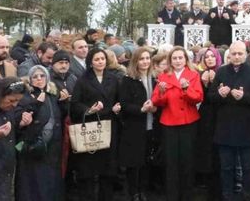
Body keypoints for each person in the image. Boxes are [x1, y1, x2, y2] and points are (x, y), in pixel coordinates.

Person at [208, 41, 250, 201]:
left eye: (240, 53)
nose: (237, 57)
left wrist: (244, 97)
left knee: (248, 166)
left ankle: (248, 195)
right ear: (229, 55)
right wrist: (220, 94)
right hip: (225, 127)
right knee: (226, 167)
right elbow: (210, 97)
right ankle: (227, 195)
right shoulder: (221, 72)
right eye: (234, 54)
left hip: (247, 127)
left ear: (245, 54)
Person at [151, 46, 203, 201]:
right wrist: (161, 92)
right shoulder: (163, 77)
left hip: (189, 122)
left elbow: (198, 98)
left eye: (181, 58)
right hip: (169, 122)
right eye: (175, 58)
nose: (178, 61)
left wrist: (186, 89)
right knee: (171, 162)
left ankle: (187, 195)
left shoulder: (193, 75)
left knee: (187, 160)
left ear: (186, 59)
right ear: (170, 61)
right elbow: (156, 101)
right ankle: (172, 195)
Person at [70, 48, 122, 201]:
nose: (100, 62)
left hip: (110, 126)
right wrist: (89, 110)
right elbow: (75, 104)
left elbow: (119, 99)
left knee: (108, 169)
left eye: (103, 59)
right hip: (91, 128)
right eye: (97, 59)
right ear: (90, 62)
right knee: (88, 170)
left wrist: (118, 108)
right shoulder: (83, 80)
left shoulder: (113, 79)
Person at [16, 65, 64, 201]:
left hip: (53, 147)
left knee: (52, 183)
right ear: (29, 80)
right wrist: (35, 104)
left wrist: (65, 103)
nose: (39, 79)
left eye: (42, 76)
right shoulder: (25, 96)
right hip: (34, 146)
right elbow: (19, 117)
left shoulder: (53, 94)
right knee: (34, 185)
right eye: (35, 77)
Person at [120, 47, 158, 201]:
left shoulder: (154, 79)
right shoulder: (128, 79)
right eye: (142, 59)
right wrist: (141, 109)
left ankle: (143, 190)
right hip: (134, 127)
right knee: (133, 163)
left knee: (146, 162)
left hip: (150, 126)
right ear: (135, 61)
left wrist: (156, 107)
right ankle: (133, 192)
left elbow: (158, 100)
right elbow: (124, 104)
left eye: (148, 58)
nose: (145, 61)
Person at [195, 47, 223, 199]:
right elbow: (201, 98)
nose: (210, 59)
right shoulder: (200, 75)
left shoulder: (222, 73)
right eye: (207, 57)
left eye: (213, 56)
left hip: (219, 116)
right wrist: (204, 84)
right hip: (205, 116)